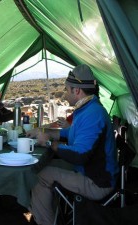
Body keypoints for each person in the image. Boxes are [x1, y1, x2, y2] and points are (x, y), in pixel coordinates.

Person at [26, 64, 119, 225]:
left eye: (67, 89)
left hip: (96, 182)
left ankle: (45, 221)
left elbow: (79, 155)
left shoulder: (93, 114)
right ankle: (52, 214)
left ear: (77, 91)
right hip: (88, 171)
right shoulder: (86, 109)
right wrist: (44, 131)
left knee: (36, 175)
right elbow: (69, 134)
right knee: (43, 166)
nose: (65, 93)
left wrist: (48, 142)